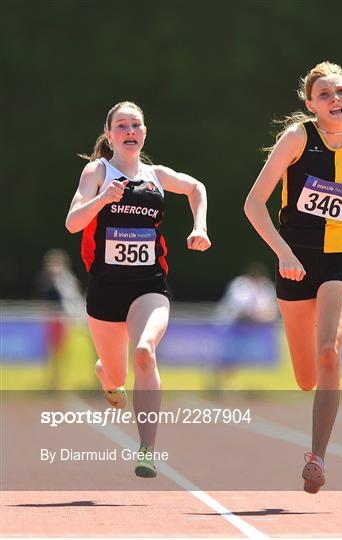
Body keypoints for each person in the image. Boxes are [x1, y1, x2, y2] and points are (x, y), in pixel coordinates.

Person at [244, 62, 342, 493]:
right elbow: (254, 204)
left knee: (329, 352)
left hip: (340, 258)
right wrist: (283, 252)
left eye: (340, 91)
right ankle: (311, 388)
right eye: (324, 95)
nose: (334, 99)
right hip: (296, 262)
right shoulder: (297, 138)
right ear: (310, 105)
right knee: (306, 376)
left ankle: (317, 457)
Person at [65, 101, 211, 478]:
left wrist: (200, 226)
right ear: (110, 134)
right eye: (122, 125)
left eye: (136, 125)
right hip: (105, 290)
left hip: (149, 286)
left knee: (145, 352)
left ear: (144, 133)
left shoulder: (157, 175)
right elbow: (72, 223)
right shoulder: (97, 171)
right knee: (115, 374)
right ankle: (106, 373)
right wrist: (103, 198)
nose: (130, 131)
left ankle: (146, 448)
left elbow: (196, 187)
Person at [34, 249, 85, 387]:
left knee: (63, 350)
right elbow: (41, 299)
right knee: (50, 350)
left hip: (63, 318)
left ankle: (61, 378)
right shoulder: (44, 281)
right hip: (49, 318)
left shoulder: (68, 281)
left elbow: (74, 299)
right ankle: (52, 379)